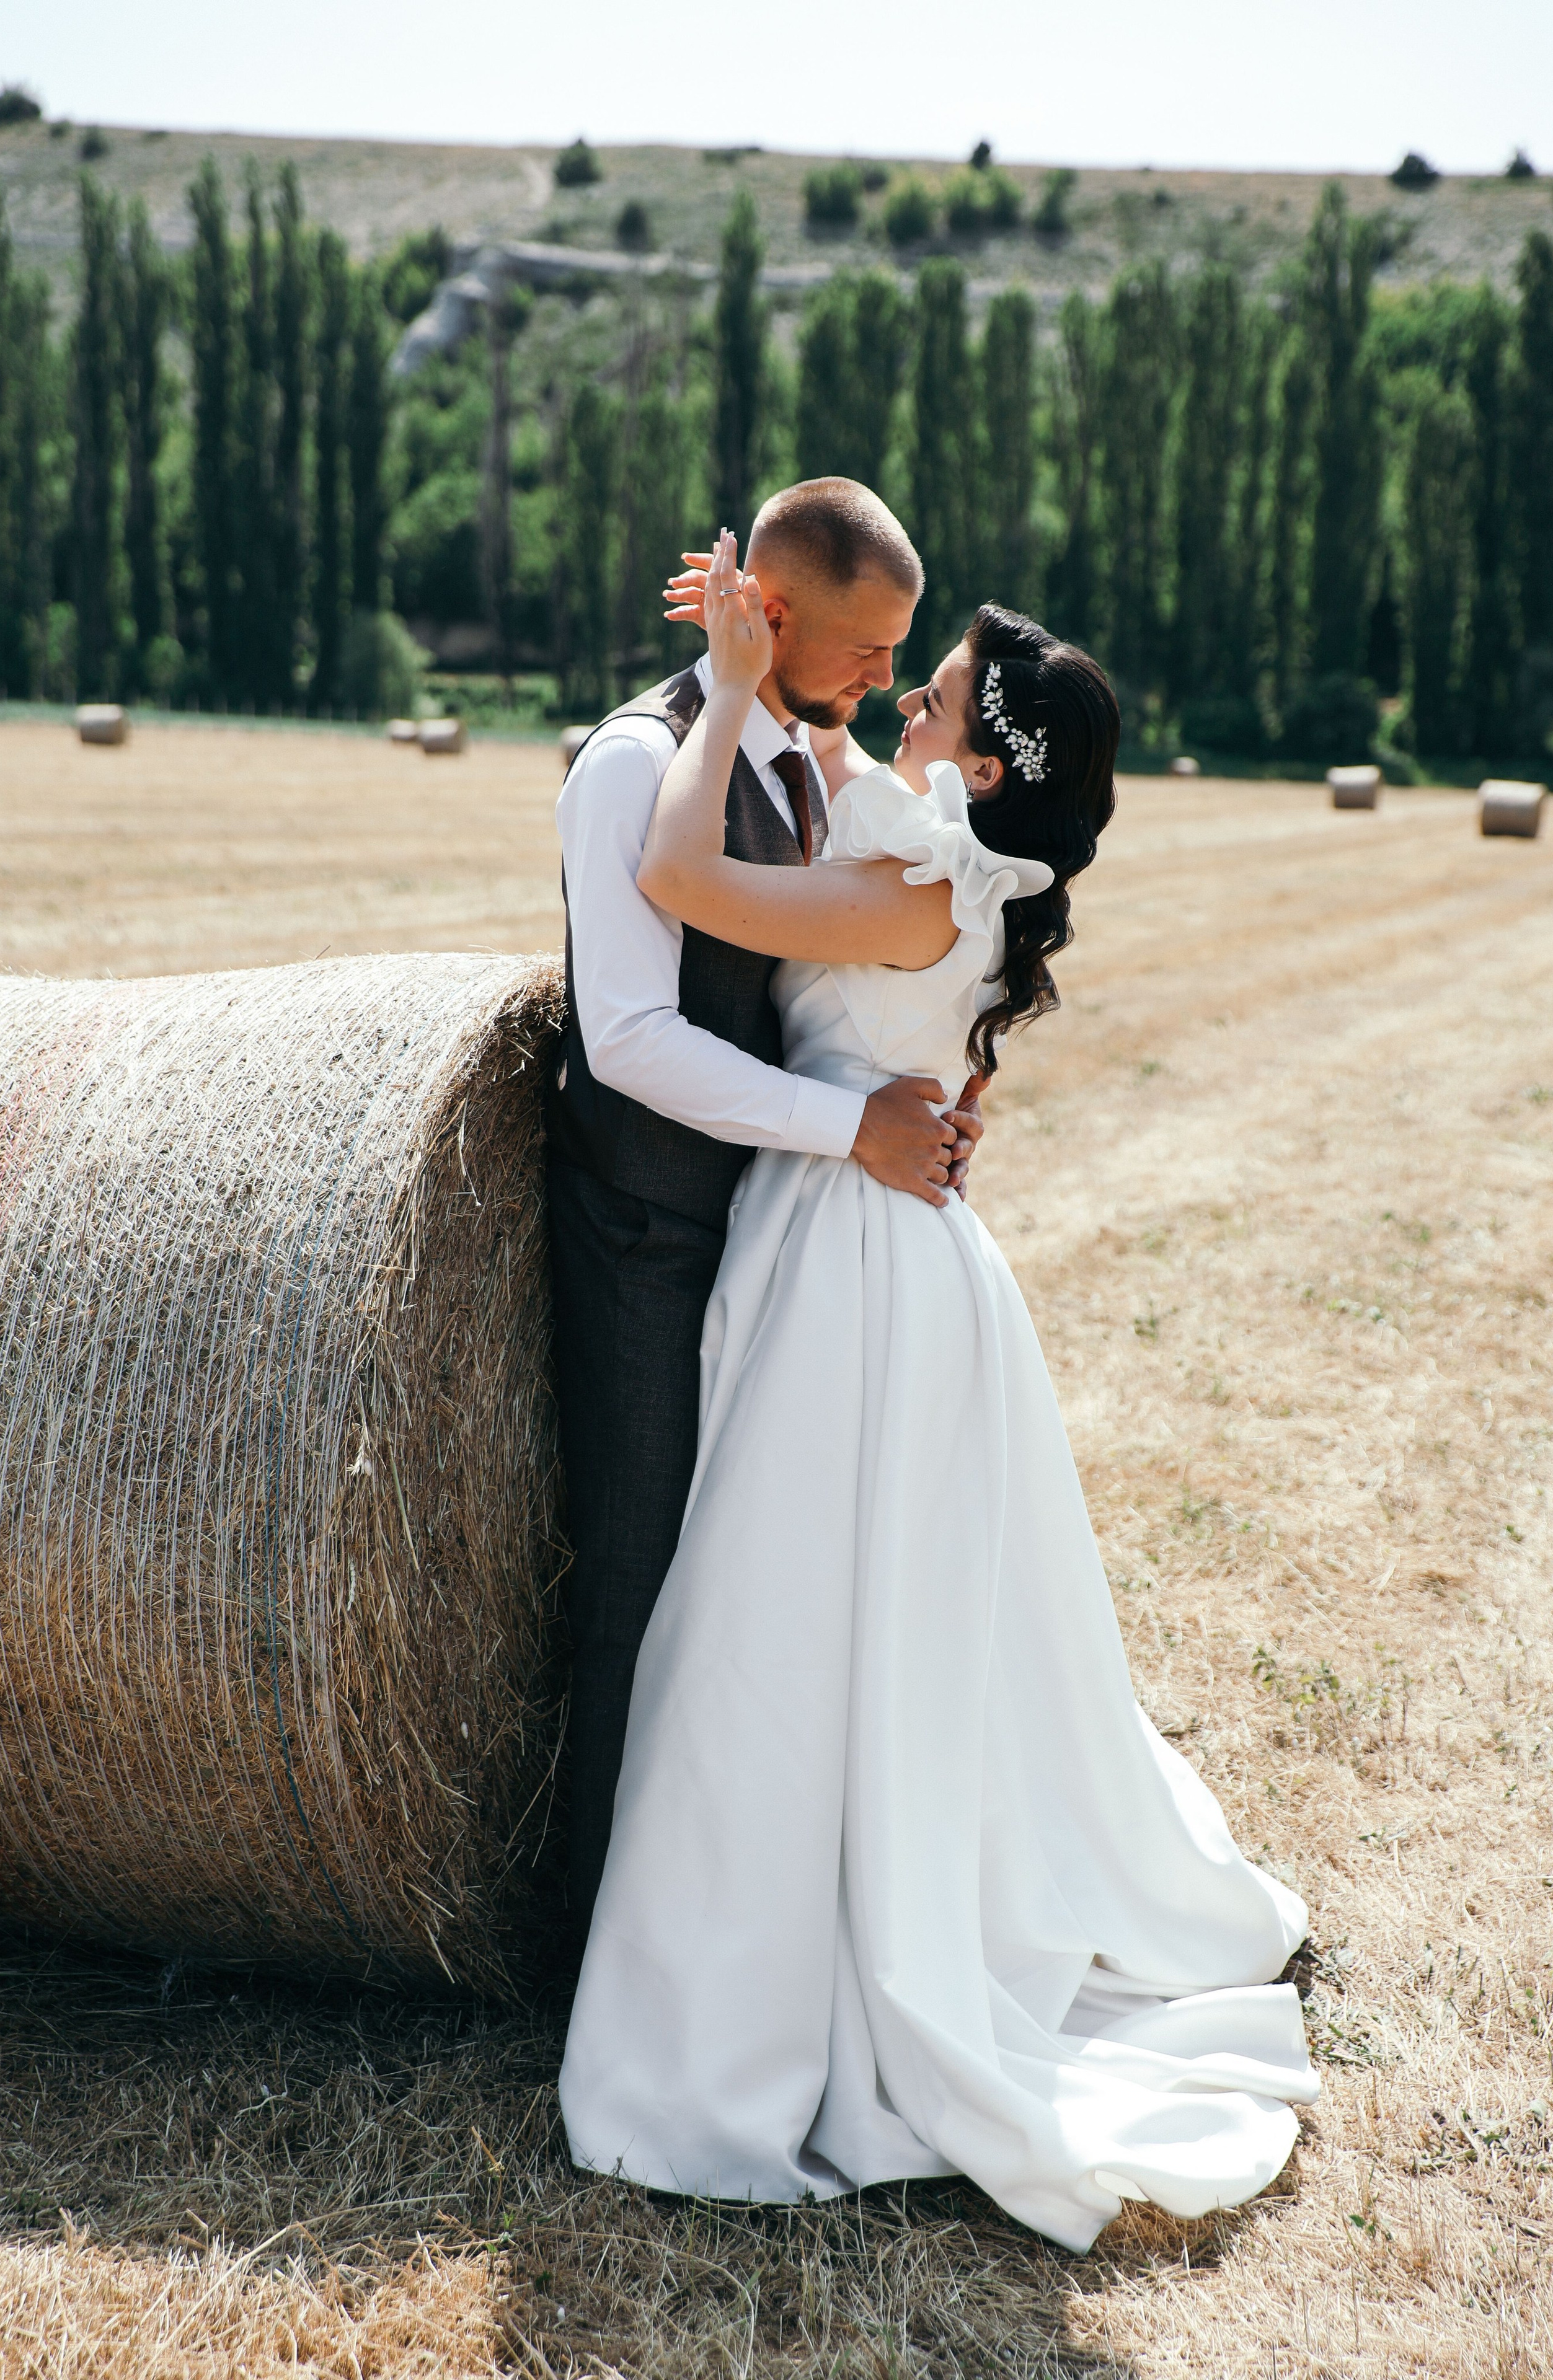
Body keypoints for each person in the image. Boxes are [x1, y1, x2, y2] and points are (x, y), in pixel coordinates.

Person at [557, 535, 1319, 2253]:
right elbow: (827, 820)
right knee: (834, 1625)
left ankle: (758, 1983)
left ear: (980, 766)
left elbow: (680, 873)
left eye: (943, 689)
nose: (906, 694)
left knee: (778, 1630)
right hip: (869, 1242)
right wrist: (760, 659)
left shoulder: (920, 885)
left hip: (854, 1269)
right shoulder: (932, 854)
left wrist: (737, 683)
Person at [546, 480, 986, 1944]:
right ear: (776, 617)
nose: (885, 678)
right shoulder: (634, 764)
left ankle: (729, 1919)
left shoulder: (805, 756)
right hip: (648, 1232)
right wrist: (850, 1127)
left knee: (749, 1592)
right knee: (634, 1582)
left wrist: (923, 1093)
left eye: (902, 650)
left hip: (775, 1240)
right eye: (864, 648)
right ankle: (596, 1947)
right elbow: (629, 1040)